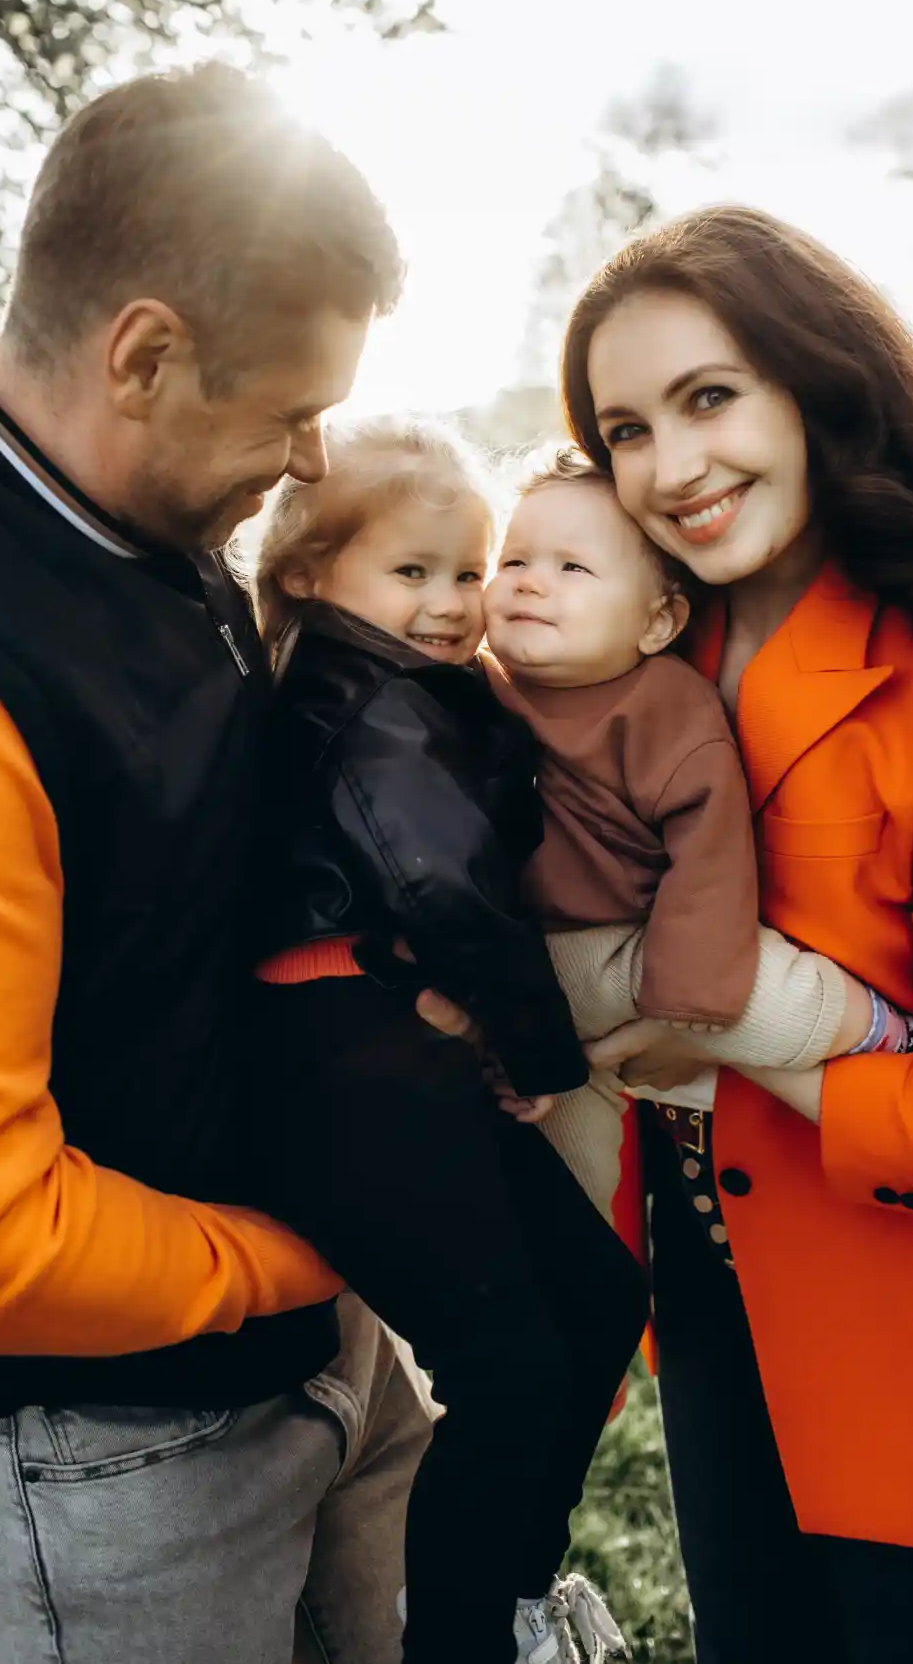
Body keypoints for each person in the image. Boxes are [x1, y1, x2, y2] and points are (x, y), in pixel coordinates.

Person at [0, 65, 440, 1664]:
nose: (307, 453)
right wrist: (319, 1247)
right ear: (142, 353)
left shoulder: (145, 531)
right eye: (286, 405)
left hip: (308, 1363)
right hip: (110, 1467)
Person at [558, 204, 913, 1664]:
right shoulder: (646, 659)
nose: (674, 468)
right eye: (626, 427)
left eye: (711, 397)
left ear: (816, 383)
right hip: (712, 1311)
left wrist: (750, 1042)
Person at [252, 417, 646, 1664]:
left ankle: (511, 1591)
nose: (447, 603)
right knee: (507, 1361)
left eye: (465, 572)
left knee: (598, 1294)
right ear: (311, 574)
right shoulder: (366, 701)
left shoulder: (419, 692)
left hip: (393, 1033)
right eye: (410, 572)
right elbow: (443, 887)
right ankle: (466, 1633)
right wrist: (537, 1056)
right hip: (344, 1050)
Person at [482, 446, 913, 1238]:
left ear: (656, 621)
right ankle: (582, 1275)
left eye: (571, 568)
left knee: (765, 991)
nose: (528, 581)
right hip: (532, 960)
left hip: (643, 947)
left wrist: (687, 989)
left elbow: (710, 847)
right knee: (565, 1151)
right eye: (513, 559)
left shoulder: (662, 707)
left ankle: (879, 1028)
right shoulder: (479, 687)